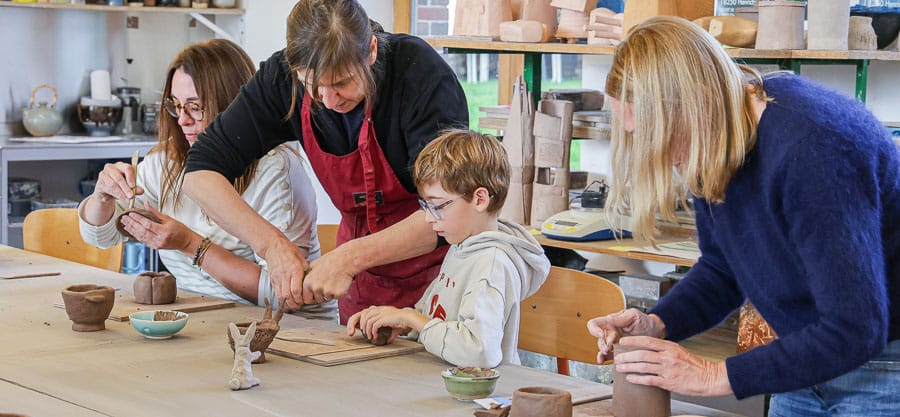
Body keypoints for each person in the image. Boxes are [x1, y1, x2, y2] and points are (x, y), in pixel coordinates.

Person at [585, 16, 900, 416]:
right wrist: (658, 323)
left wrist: (714, 376)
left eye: (654, 132)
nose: (655, 153)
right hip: (809, 357)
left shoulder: (814, 148)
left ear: (697, 101)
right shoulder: (715, 137)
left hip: (883, 367)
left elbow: (857, 328)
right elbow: (723, 268)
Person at [182, 0, 469, 323]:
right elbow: (200, 173)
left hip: (439, 282)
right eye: (313, 86)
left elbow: (453, 210)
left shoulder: (419, 74)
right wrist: (271, 245)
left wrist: (349, 257)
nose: (329, 100)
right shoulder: (281, 78)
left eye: (342, 82)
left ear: (371, 50)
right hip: (359, 289)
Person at [78, 39, 332, 318]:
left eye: (195, 106)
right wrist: (102, 196)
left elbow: (281, 294)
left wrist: (190, 245)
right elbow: (101, 236)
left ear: (235, 107)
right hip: (205, 321)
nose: (182, 120)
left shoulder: (275, 170)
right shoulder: (165, 163)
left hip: (287, 330)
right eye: (175, 105)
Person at [346, 130, 550, 367]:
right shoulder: (462, 245)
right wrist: (400, 322)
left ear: (479, 200)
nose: (429, 219)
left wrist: (410, 317)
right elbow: (433, 316)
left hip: (481, 395)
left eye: (438, 205)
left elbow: (479, 352)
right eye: (427, 206)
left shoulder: (492, 262)